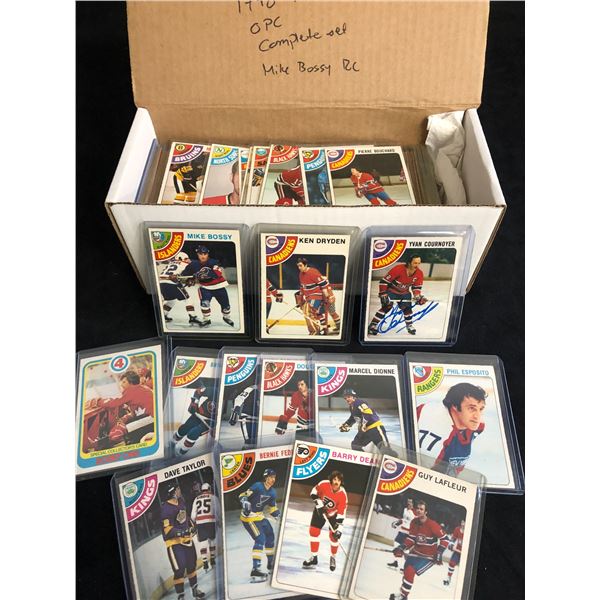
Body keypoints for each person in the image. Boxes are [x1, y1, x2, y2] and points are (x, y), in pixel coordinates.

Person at [417, 382, 486, 477]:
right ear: (455, 406)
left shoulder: (477, 426)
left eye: (481, 409)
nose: (477, 416)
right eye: (471, 408)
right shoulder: (442, 443)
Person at [389, 500, 445, 600]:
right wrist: (402, 547)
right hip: (415, 553)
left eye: (421, 509)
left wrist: (439, 552)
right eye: (417, 508)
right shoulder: (414, 522)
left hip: (427, 557)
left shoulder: (432, 525)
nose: (419, 510)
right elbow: (411, 538)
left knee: (410, 571)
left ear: (426, 512)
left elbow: (445, 539)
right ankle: (402, 593)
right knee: (406, 572)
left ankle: (403, 597)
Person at [161, 483, 206, 599]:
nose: (179, 491)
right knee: (179, 570)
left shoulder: (180, 501)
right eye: (177, 489)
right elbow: (167, 530)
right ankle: (181, 596)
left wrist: (192, 525)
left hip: (187, 541)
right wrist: (182, 532)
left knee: (191, 566)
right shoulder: (166, 508)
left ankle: (195, 590)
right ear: (172, 493)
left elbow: (185, 518)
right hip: (175, 544)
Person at [368, 255, 428, 336]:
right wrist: (383, 293)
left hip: (404, 293)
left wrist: (418, 297)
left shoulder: (419, 273)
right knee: (387, 306)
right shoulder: (398, 269)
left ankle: (409, 325)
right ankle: (373, 325)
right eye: (415, 263)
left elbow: (416, 287)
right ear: (409, 262)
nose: (417, 265)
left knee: (407, 309)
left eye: (419, 263)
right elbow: (383, 281)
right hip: (391, 291)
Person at [238, 468, 281, 582]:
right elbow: (243, 495)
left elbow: (273, 509)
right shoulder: (257, 486)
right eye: (271, 477)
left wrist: (279, 516)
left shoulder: (272, 492)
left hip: (259, 516)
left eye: (274, 477)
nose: (273, 479)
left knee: (270, 536)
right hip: (249, 518)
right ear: (265, 477)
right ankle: (255, 569)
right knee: (260, 539)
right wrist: (244, 501)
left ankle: (270, 564)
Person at [94, 371, 154, 448]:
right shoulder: (142, 387)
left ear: (131, 382)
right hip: (151, 417)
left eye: (124, 382)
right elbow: (137, 406)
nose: (121, 384)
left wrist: (98, 402)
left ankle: (130, 445)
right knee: (126, 422)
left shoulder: (131, 390)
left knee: (118, 432)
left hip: (150, 418)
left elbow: (114, 403)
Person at [180, 245, 235, 328]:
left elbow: (217, 273)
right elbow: (184, 274)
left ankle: (226, 317)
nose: (203, 256)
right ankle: (206, 319)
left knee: (226, 307)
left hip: (219, 287)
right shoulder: (193, 264)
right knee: (205, 304)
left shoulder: (213, 262)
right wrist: (188, 279)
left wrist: (201, 274)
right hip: (205, 288)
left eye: (205, 254)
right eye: (200, 254)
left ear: (207, 254)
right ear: (197, 254)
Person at [303, 471, 347, 573]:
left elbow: (341, 513)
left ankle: (333, 557)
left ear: (341, 482)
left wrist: (339, 529)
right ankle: (314, 558)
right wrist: (319, 503)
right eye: (335, 479)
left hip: (333, 515)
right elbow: (313, 492)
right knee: (313, 532)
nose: (336, 482)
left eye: (339, 480)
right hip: (320, 511)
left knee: (334, 537)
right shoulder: (324, 484)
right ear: (331, 479)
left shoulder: (343, 495)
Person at [295, 257, 340, 335]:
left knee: (332, 311)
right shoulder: (302, 275)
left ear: (305, 265)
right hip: (319, 298)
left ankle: (338, 327)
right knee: (317, 313)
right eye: (298, 266)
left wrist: (329, 297)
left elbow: (326, 287)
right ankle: (324, 328)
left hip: (326, 297)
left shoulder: (315, 274)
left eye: (300, 265)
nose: (299, 268)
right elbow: (303, 287)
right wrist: (300, 299)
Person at [158, 252, 204, 327]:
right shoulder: (184, 264)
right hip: (172, 284)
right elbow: (190, 270)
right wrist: (191, 278)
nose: (188, 260)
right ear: (180, 258)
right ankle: (192, 317)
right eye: (186, 258)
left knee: (171, 300)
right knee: (188, 299)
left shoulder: (170, 263)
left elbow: (179, 275)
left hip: (161, 284)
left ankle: (163, 315)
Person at [171, 380, 215, 455]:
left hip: (210, 421)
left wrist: (217, 428)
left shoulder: (231, 397)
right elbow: (199, 391)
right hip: (198, 414)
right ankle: (172, 443)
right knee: (184, 429)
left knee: (193, 433)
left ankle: (181, 453)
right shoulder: (216, 391)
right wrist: (194, 403)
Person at [190, 482, 217, 572]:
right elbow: (217, 510)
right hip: (211, 521)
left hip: (200, 523)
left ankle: (205, 563)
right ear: (209, 489)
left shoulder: (196, 499)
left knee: (203, 543)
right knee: (212, 540)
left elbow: (193, 515)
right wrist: (218, 520)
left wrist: (195, 522)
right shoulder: (213, 497)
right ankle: (212, 559)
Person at [388, 498, 416, 570]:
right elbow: (404, 519)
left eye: (410, 502)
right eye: (408, 501)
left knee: (406, 551)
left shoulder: (415, 512)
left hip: (408, 534)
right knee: (396, 545)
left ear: (413, 503)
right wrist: (398, 523)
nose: (409, 503)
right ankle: (395, 562)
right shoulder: (405, 509)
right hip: (401, 531)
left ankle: (407, 567)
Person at [442, 520, 464, 586]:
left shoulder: (469, 532)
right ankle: (448, 579)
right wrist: (451, 544)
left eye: (465, 522)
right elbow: (453, 539)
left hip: (466, 553)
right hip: (458, 551)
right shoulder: (457, 529)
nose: (463, 524)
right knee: (452, 563)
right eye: (462, 522)